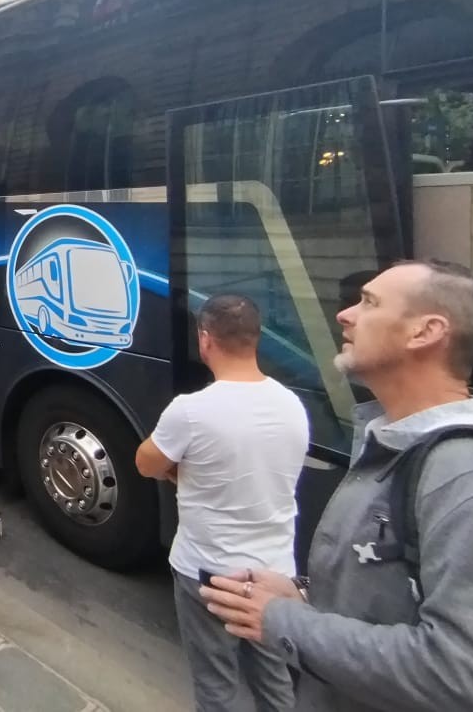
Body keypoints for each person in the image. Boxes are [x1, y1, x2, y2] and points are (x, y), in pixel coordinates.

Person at [200, 260, 473, 712]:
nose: (344, 314)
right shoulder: (395, 438)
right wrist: (309, 598)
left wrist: (284, 620)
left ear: (425, 332)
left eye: (368, 303)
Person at [135, 295, 307, 712]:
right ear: (256, 339)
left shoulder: (191, 411)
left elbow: (145, 462)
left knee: (217, 687)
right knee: (274, 681)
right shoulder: (292, 404)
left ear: (205, 339)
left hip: (209, 574)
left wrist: (180, 471)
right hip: (275, 576)